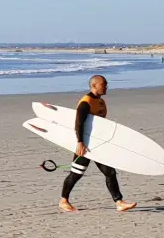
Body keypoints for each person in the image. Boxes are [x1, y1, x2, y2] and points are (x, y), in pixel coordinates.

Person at [59, 75, 138, 213]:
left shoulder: (101, 102)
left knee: (110, 172)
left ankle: (119, 202)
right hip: (85, 144)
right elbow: (78, 124)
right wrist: (80, 142)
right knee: (76, 173)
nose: (107, 86)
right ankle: (63, 200)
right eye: (104, 84)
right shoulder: (86, 102)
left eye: (106, 84)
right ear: (94, 86)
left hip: (98, 145)